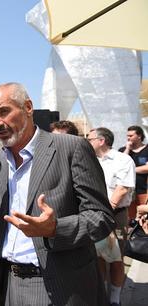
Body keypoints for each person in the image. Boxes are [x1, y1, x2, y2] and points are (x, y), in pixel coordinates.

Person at [0, 82, 115, 305]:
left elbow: (101, 217)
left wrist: (56, 229)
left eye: (4, 111)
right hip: (5, 283)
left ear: (28, 107)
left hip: (57, 285)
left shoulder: (72, 148)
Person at [88, 127, 135, 306]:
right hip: (94, 214)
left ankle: (115, 299)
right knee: (98, 255)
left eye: (89, 138)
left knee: (116, 258)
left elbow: (123, 188)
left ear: (102, 141)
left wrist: (106, 209)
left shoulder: (123, 159)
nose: (87, 141)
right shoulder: (91, 160)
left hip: (115, 215)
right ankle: (102, 293)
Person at [119, 125, 148, 219]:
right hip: (128, 191)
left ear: (139, 136)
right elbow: (120, 166)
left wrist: (130, 170)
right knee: (130, 217)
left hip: (144, 190)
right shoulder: (123, 150)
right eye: (127, 135)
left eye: (131, 136)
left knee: (144, 215)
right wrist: (127, 149)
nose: (128, 138)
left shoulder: (147, 149)